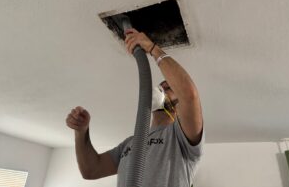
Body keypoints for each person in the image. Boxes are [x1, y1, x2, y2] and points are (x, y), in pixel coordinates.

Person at [66, 29, 204, 187]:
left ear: (179, 102)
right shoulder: (131, 143)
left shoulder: (181, 137)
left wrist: (152, 48)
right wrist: (81, 132)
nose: (162, 90)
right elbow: (91, 170)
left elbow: (189, 95)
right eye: (161, 87)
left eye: (169, 88)